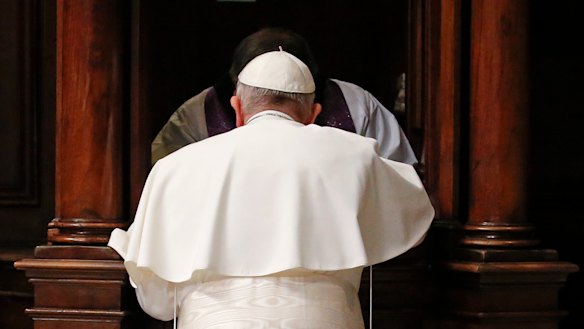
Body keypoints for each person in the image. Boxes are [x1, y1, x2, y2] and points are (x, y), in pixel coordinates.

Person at [108, 49, 434, 328]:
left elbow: (157, 300)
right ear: (313, 114)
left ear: (237, 109)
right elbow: (411, 221)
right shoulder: (358, 155)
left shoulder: (176, 167)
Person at [151, 27, 418, 166]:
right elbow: (164, 172)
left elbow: (395, 173)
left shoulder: (355, 104)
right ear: (234, 92)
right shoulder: (199, 113)